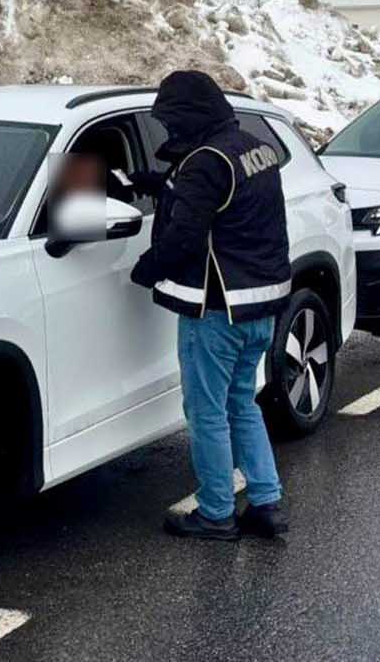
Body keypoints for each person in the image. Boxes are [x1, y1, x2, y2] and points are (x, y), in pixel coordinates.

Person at [129, 70, 292, 541]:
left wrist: (149, 267)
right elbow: (228, 203)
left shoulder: (204, 161)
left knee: (206, 412)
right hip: (260, 306)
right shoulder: (249, 146)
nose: (168, 131)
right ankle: (266, 502)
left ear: (189, 117)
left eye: (171, 121)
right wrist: (163, 185)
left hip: (216, 311)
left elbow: (186, 234)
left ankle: (216, 512)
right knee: (242, 403)